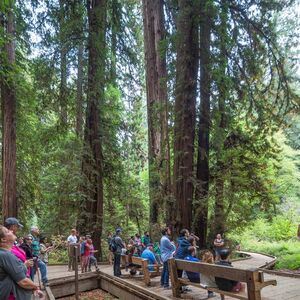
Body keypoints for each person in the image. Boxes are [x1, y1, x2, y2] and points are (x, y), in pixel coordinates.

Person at [0, 225, 44, 300]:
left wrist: (33, 289)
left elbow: (13, 272)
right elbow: (22, 281)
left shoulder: (6, 253)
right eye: (7, 231)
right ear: (3, 239)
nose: (11, 231)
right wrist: (35, 287)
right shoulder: (5, 255)